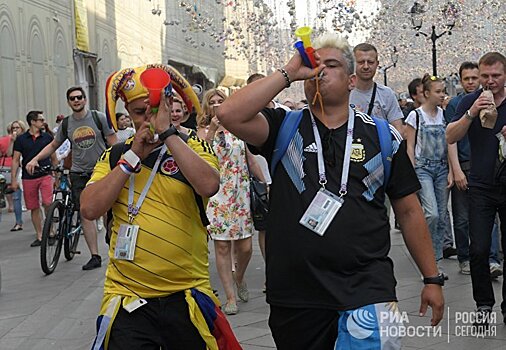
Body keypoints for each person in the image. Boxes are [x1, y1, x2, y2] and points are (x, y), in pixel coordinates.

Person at [217, 32, 444, 349]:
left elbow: (408, 211)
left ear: (352, 80)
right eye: (313, 66)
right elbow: (227, 113)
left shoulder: (383, 136)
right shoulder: (283, 125)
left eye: (331, 65)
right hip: (296, 295)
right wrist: (289, 72)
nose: (319, 72)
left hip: (367, 287)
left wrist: (431, 278)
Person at [81, 64, 239, 349]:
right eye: (139, 113)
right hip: (127, 296)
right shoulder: (115, 154)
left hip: (187, 294)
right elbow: (90, 208)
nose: (148, 119)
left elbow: (209, 185)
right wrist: (132, 158)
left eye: (154, 110)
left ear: (169, 104)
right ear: (128, 114)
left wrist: (168, 135)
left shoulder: (195, 145)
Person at [26, 86, 117, 270]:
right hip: (78, 173)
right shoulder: (67, 124)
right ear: (69, 102)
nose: (76, 101)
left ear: (84, 99)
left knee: (107, 211)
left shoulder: (99, 118)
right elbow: (53, 145)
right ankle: (95, 255)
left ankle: (112, 243)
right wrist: (35, 159)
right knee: (85, 212)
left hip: (101, 171)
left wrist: (118, 165)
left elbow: (113, 142)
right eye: (72, 98)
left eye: (79, 97)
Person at [446, 52, 506, 326]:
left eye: (496, 76)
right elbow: (450, 136)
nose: (490, 81)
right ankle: (483, 304)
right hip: (480, 184)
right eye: (486, 76)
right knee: (479, 249)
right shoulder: (469, 101)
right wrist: (470, 114)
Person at [197, 89, 264, 315]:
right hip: (217, 194)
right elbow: (200, 152)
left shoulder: (238, 127)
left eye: (220, 101)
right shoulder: (204, 130)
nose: (217, 105)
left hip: (240, 192)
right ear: (207, 107)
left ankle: (240, 277)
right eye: (212, 102)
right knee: (223, 246)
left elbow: (250, 159)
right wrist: (214, 128)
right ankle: (230, 296)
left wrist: (264, 183)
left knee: (245, 247)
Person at [405, 74, 450, 278]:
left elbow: (450, 143)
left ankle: (435, 264)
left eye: (443, 91)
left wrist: (451, 170)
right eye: (438, 91)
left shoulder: (444, 114)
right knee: (431, 213)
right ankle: (426, 258)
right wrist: (411, 173)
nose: (442, 95)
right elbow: (410, 145)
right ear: (426, 93)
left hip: (441, 168)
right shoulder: (415, 115)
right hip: (422, 168)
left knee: (441, 217)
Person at [11, 111, 56, 246]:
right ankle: (40, 235)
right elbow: (15, 159)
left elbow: (54, 157)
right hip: (28, 176)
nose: (43, 122)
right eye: (40, 120)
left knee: (47, 203)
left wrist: (57, 175)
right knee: (33, 206)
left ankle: (52, 231)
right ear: (33, 122)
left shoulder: (47, 137)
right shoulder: (21, 139)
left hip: (45, 174)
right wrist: (13, 179)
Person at [350, 43, 404, 133]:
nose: (366, 66)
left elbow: (398, 130)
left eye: (370, 62)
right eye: (361, 62)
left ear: (377, 64)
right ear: (353, 64)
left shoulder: (387, 94)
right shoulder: (343, 93)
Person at [3, 120, 27, 231]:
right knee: (16, 197)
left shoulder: (27, 139)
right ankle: (18, 222)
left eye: (17, 127)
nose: (15, 130)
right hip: (18, 172)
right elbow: (8, 154)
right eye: (13, 128)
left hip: (27, 170)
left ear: (22, 128)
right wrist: (12, 141)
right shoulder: (14, 141)